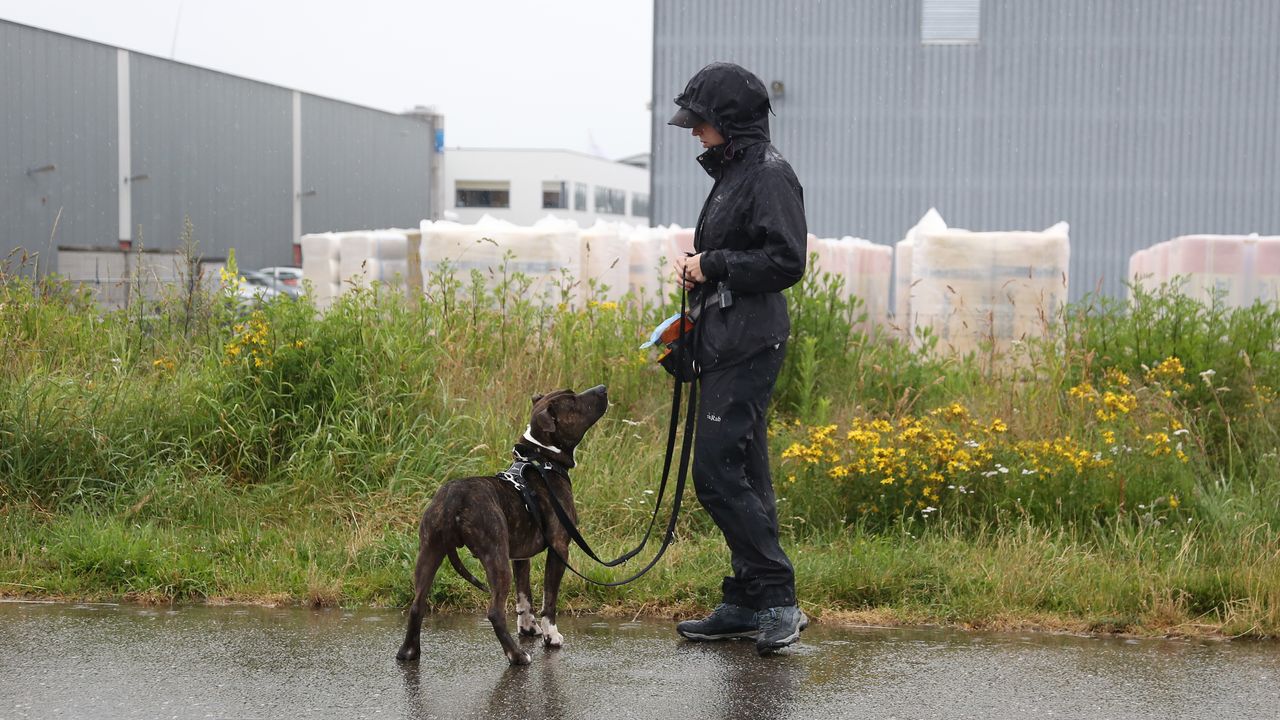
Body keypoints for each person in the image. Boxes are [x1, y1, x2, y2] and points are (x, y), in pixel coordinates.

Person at [667, 62, 808, 655]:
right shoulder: (735, 173)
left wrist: (714, 264)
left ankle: (777, 599)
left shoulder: (769, 175)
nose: (695, 132)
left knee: (718, 474)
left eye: (701, 122)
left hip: (750, 341)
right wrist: (700, 264)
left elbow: (787, 262)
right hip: (727, 336)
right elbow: (737, 250)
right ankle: (747, 601)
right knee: (746, 473)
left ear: (728, 121)